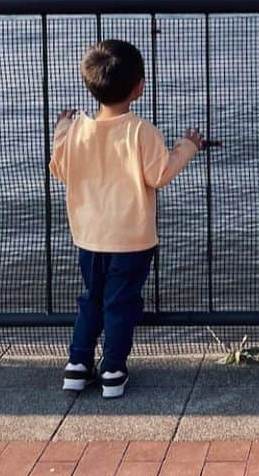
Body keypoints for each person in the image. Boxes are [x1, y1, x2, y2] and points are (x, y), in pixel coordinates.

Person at [49, 38, 205, 398]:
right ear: (139, 87)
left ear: (89, 84)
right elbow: (159, 175)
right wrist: (188, 147)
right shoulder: (141, 131)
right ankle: (113, 371)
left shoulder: (76, 131)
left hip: (89, 236)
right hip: (131, 238)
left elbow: (61, 169)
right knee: (120, 303)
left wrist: (61, 130)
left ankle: (77, 364)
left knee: (92, 299)